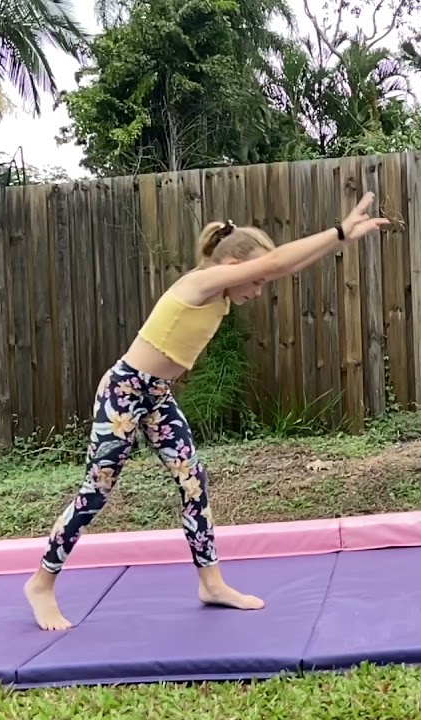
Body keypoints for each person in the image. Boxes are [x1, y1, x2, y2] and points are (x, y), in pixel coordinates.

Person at [24, 191, 390, 631]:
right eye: (254, 282)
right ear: (234, 267)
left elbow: (283, 265)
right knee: (97, 489)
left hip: (155, 394)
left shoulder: (221, 292)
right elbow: (275, 265)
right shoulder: (199, 284)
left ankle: (211, 583)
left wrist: (341, 240)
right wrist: (335, 230)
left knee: (193, 481)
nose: (258, 291)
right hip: (124, 392)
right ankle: (41, 583)